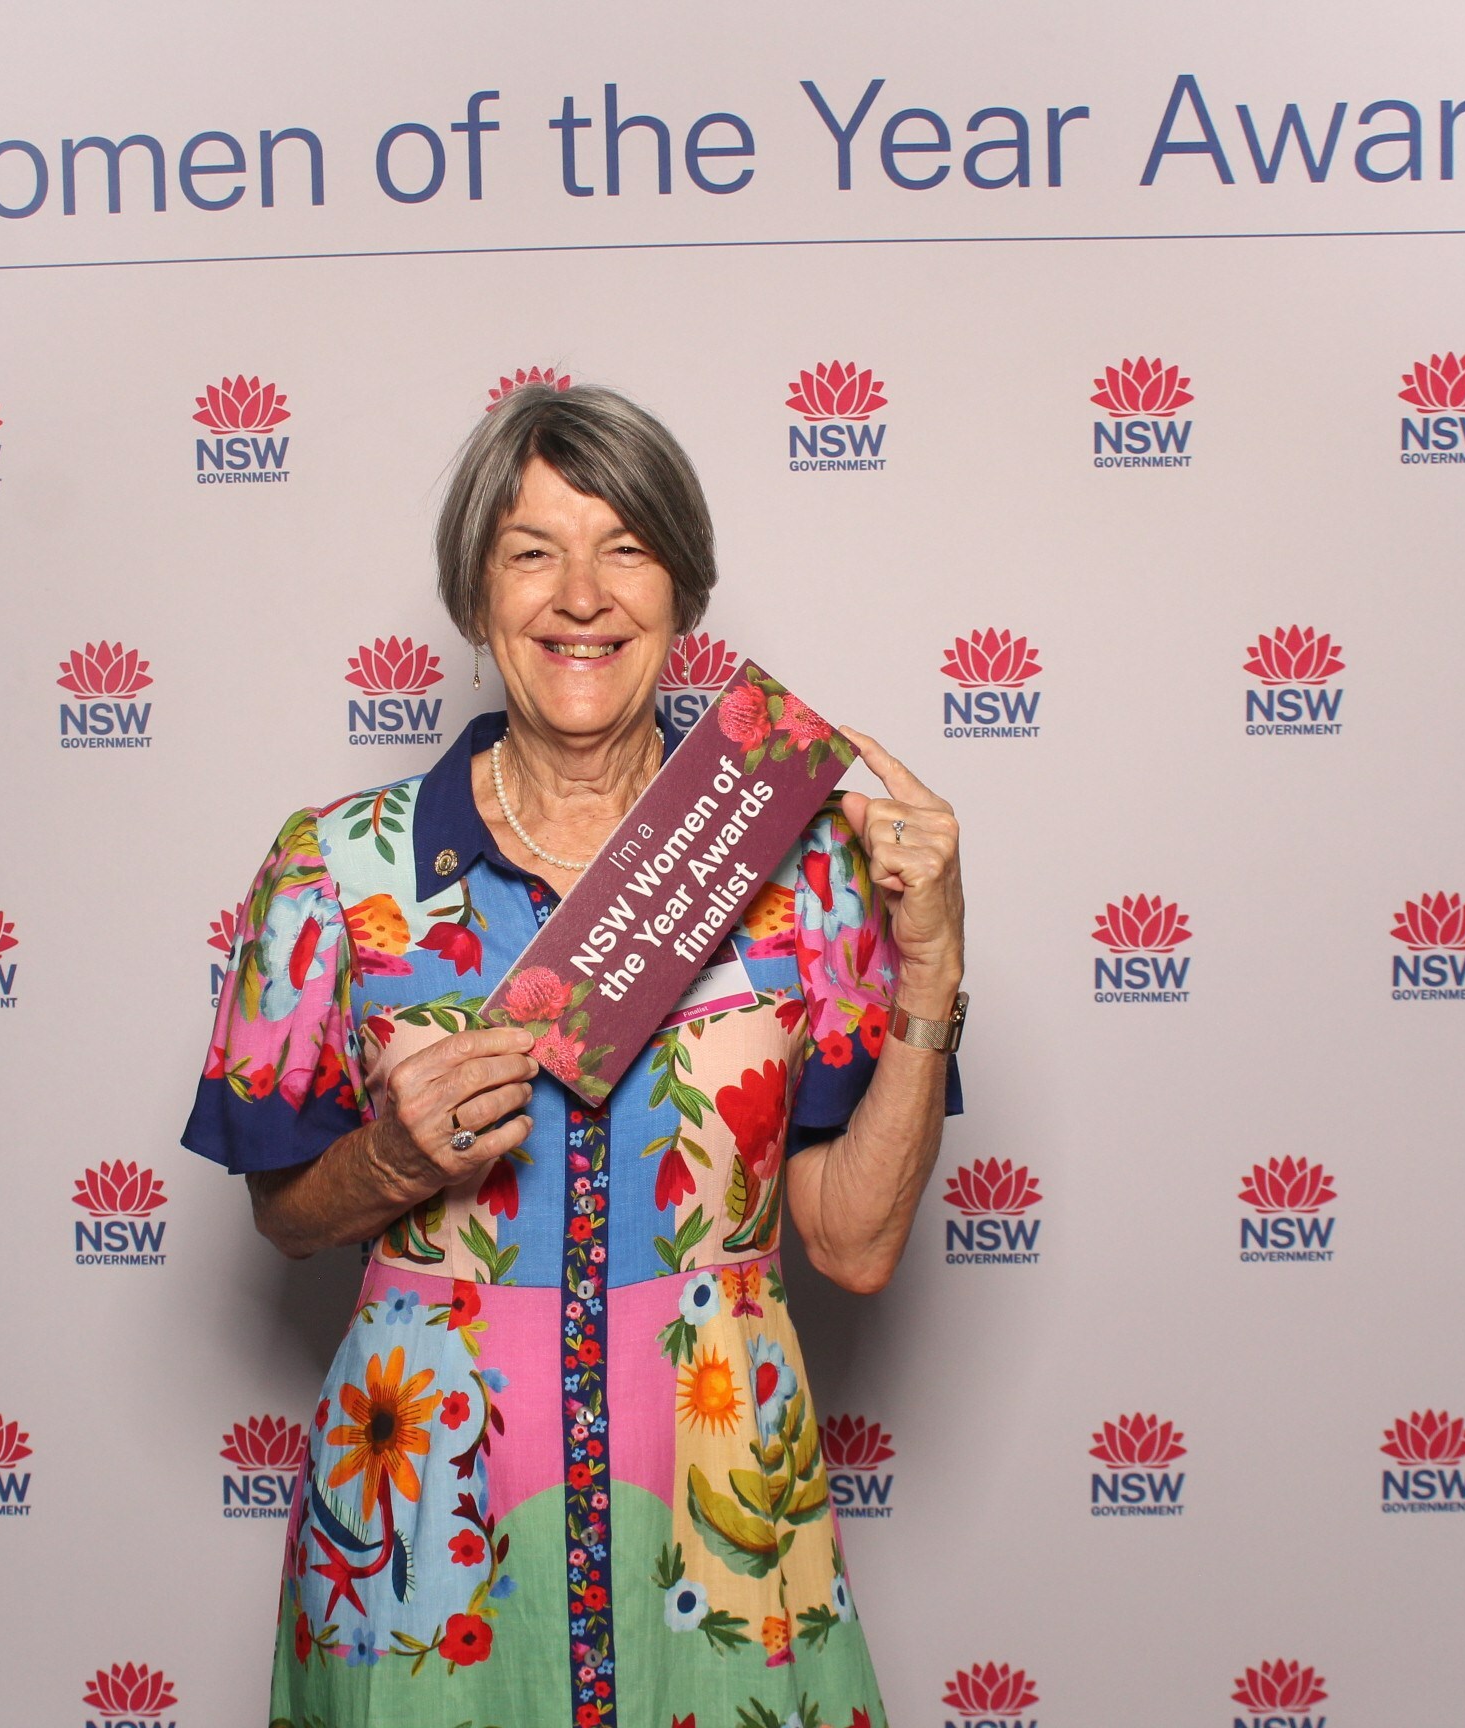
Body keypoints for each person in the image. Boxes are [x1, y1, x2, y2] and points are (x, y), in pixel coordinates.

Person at [186, 382, 967, 1728]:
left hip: (719, 1517)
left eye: (627, 548)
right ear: (475, 591)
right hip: (426, 1526)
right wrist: (389, 1160)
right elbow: (283, 1216)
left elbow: (852, 1246)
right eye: (532, 551)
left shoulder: (807, 869)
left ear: (685, 588)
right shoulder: (337, 870)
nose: (582, 596)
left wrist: (936, 964)